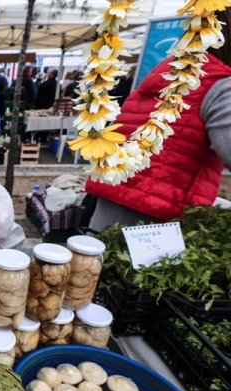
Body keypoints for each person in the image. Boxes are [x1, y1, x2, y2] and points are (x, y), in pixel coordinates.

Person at [87, 7, 231, 231]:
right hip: (154, 227)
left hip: (109, 213)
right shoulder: (221, 86)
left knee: (97, 265)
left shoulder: (169, 72)